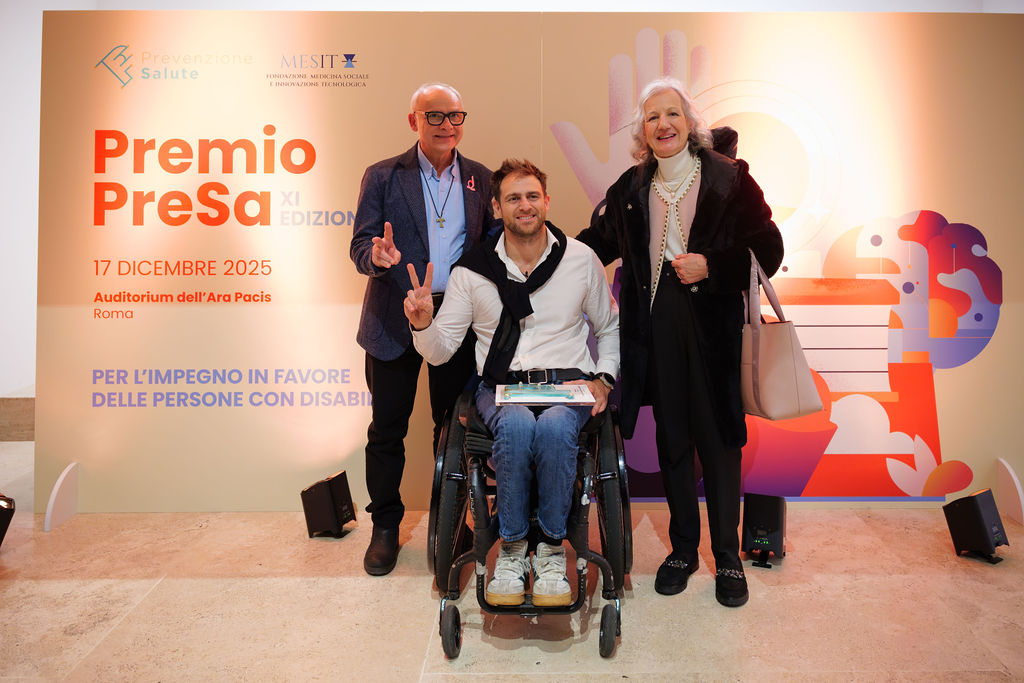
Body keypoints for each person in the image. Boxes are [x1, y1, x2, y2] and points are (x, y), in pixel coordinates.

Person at [576, 77, 784, 607]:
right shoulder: (630, 188)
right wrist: (535, 249)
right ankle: (684, 550)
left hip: (714, 331)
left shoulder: (730, 178)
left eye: (672, 114)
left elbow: (769, 246)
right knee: (673, 442)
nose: (663, 124)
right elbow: (593, 245)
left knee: (719, 443)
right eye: (652, 117)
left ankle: (728, 557)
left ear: (690, 123)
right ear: (643, 132)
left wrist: (713, 265)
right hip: (654, 329)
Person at [404, 159, 619, 607]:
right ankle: (513, 549)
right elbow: (441, 350)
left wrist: (604, 378)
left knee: (556, 426)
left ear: (547, 201)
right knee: (518, 425)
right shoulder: (472, 271)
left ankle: (552, 551)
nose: (525, 205)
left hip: (567, 386)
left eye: (532, 196)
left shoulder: (580, 259)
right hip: (502, 389)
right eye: (513, 198)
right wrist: (423, 323)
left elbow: (610, 326)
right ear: (497, 208)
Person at [350, 83, 494, 576]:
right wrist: (377, 255)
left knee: (452, 429)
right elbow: (360, 245)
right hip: (395, 315)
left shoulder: (479, 178)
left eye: (455, 115)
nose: (446, 125)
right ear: (414, 121)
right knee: (386, 429)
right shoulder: (383, 175)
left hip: (455, 321)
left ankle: (450, 522)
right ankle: (385, 528)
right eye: (434, 115)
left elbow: (491, 244)